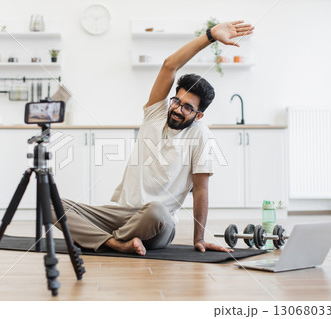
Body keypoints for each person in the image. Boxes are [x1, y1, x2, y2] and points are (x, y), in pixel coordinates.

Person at [53, 20, 254, 255]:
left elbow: (201, 189)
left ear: (198, 115)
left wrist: (199, 238)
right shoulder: (155, 113)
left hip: (158, 224)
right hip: (122, 214)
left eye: (187, 108)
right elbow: (170, 66)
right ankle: (115, 243)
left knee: (156, 210)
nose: (178, 109)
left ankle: (98, 239)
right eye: (177, 101)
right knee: (49, 201)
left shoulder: (200, 135)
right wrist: (209, 36)